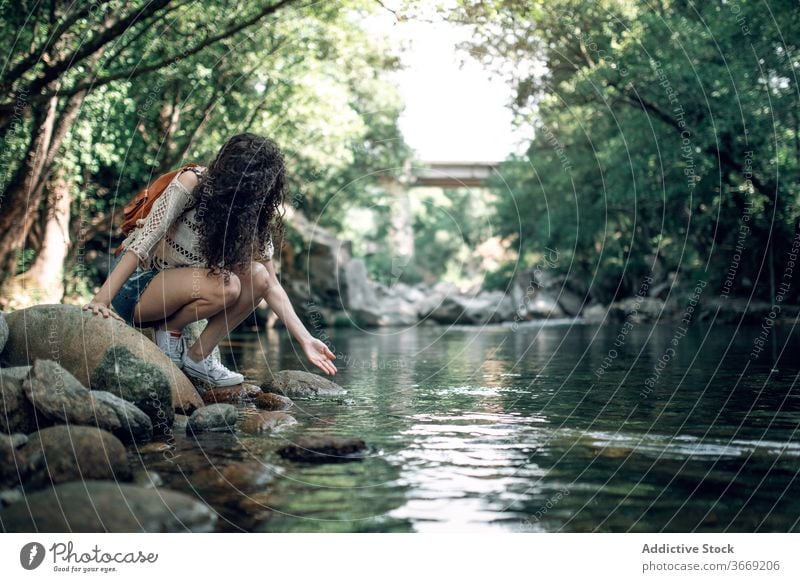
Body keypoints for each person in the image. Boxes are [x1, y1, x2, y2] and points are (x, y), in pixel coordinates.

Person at [83, 133, 337, 387]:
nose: (250, 194)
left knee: (258, 275)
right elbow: (142, 242)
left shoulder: (251, 213)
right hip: (139, 288)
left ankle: (198, 357)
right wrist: (101, 301)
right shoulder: (193, 182)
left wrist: (306, 339)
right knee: (227, 285)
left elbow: (270, 284)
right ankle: (169, 330)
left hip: (181, 290)